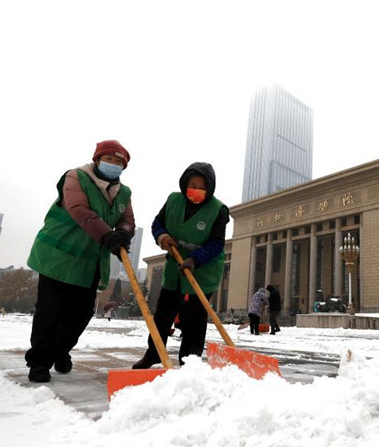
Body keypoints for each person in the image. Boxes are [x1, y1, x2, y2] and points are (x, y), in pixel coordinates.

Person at [25, 140, 135, 383]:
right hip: (58, 256)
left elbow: (127, 219)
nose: (114, 165)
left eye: (120, 162)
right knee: (50, 311)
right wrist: (108, 236)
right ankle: (39, 361)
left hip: (89, 263)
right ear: (97, 159)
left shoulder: (123, 193)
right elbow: (79, 210)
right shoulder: (76, 177)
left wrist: (124, 233)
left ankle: (59, 350)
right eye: (109, 159)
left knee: (81, 314)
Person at [132, 162, 230, 367]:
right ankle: (154, 352)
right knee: (163, 314)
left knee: (195, 319)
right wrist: (163, 236)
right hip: (174, 268)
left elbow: (217, 243)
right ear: (185, 184)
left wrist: (195, 259)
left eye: (202, 186)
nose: (197, 190)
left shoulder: (218, 210)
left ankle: (190, 362)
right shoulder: (173, 200)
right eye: (193, 184)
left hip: (203, 270)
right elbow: (157, 223)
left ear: (210, 188)